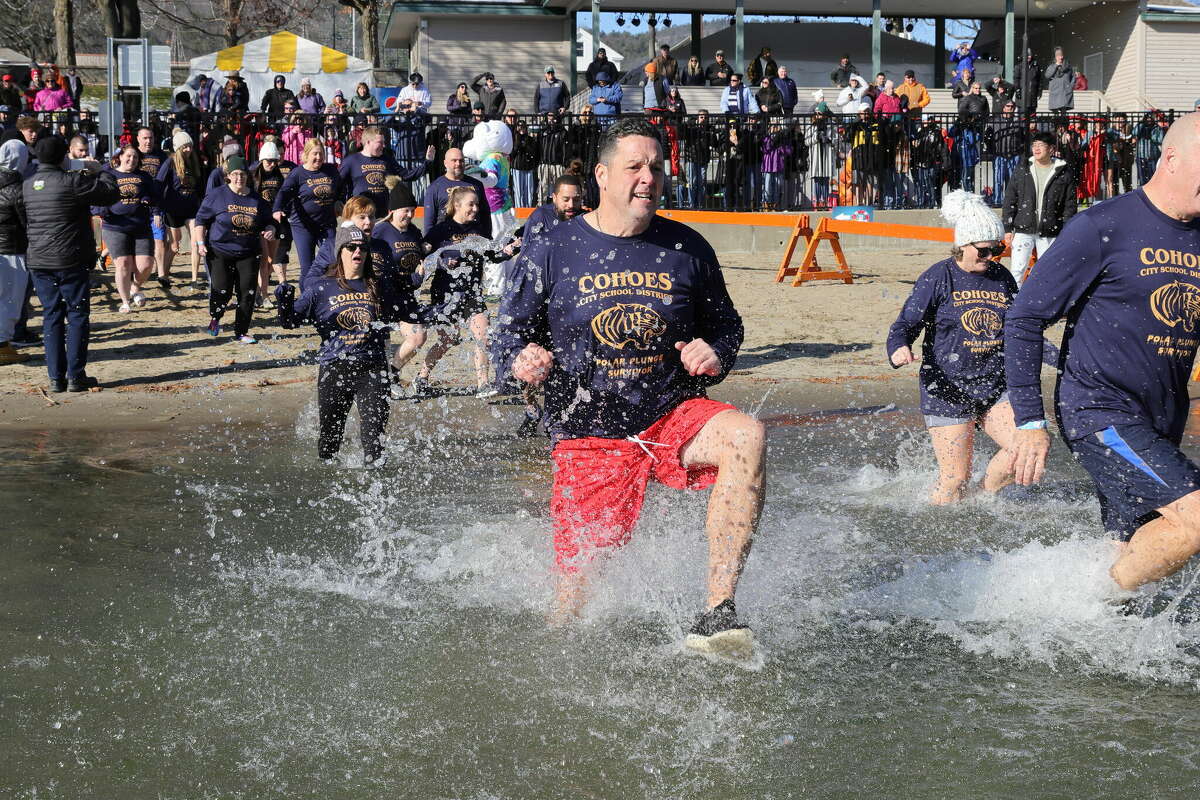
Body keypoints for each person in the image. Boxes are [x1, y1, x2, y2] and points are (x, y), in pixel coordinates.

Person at [492, 118, 762, 655]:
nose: (647, 178)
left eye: (656, 168)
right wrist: (522, 361)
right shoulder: (551, 247)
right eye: (634, 166)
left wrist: (716, 351)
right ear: (602, 174)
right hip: (588, 428)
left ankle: (716, 612)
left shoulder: (687, 247)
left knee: (745, 436)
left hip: (670, 413)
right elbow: (507, 336)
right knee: (572, 604)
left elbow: (726, 325)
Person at [1004, 113, 1200, 596]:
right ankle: (1091, 603)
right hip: (1099, 411)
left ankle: (1075, 617)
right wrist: (1029, 422)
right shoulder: (1104, 226)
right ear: (1171, 159)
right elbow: (1025, 318)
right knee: (1195, 521)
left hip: (1163, 417)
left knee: (1129, 539)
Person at [887, 191, 1018, 504]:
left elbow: (1019, 330)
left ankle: (979, 499)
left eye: (998, 250)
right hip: (946, 390)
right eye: (985, 251)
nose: (992, 258)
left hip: (993, 386)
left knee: (1025, 448)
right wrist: (899, 349)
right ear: (964, 244)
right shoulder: (938, 277)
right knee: (954, 478)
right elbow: (903, 326)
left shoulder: (1002, 278)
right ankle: (934, 531)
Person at [275, 225, 397, 464]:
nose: (357, 252)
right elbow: (290, 322)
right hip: (335, 369)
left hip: (372, 370)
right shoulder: (321, 287)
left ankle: (377, 492)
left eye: (362, 247)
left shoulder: (378, 285)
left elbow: (407, 311)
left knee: (375, 442)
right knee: (330, 443)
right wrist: (284, 299)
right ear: (340, 252)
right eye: (351, 247)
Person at [24, 136, 118, 392]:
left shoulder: (29, 184)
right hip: (70, 258)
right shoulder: (73, 180)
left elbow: (25, 220)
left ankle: (56, 378)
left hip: (40, 258)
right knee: (76, 314)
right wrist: (102, 171)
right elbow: (110, 194)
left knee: (51, 315)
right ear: (64, 156)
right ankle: (75, 376)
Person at [417, 186, 498, 397]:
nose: (475, 208)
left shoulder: (478, 230)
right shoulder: (441, 230)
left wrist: (509, 249)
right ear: (457, 206)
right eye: (471, 204)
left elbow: (492, 255)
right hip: (446, 294)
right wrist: (435, 259)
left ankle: (483, 384)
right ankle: (422, 377)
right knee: (448, 339)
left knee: (483, 336)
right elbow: (423, 253)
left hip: (472, 293)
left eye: (477, 204)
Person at [194, 156, 276, 343]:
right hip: (219, 251)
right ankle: (215, 317)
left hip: (248, 252)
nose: (240, 178)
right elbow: (200, 221)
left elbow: (269, 221)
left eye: (243, 174)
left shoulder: (257, 199)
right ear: (228, 176)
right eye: (235, 174)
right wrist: (200, 243)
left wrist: (271, 230)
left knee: (246, 292)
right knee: (222, 290)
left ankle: (241, 331)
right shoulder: (217, 195)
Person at [372, 181, 429, 392]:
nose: (410, 215)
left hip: (406, 296)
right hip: (382, 297)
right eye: (405, 210)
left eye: (413, 211)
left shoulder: (414, 231)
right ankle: (379, 385)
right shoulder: (380, 231)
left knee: (418, 337)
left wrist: (425, 254)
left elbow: (421, 259)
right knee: (379, 347)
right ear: (392, 210)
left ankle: (391, 374)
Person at [1001, 131, 1076, 288]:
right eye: (1034, 145)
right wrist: (1008, 228)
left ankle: (1044, 304)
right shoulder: (1023, 169)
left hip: (1050, 231)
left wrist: (1067, 230)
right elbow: (1010, 199)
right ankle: (1014, 305)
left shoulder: (1063, 172)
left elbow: (1069, 205)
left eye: (1041, 145)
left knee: (1048, 271)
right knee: (1017, 271)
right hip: (1023, 229)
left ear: (1051, 149)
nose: (1036, 148)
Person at [96, 145, 160, 313]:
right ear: (120, 157)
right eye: (128, 156)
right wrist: (102, 211)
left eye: (135, 158)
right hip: (115, 226)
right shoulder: (109, 174)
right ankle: (125, 302)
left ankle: (135, 287)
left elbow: (154, 195)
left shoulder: (143, 176)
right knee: (123, 264)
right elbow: (97, 196)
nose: (132, 160)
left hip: (141, 225)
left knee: (146, 265)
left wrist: (148, 201)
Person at [273, 137, 342, 291]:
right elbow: (284, 192)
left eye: (321, 154)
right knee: (307, 266)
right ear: (306, 154)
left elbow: (340, 188)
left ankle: (328, 295)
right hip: (303, 226)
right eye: (315, 154)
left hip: (327, 224)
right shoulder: (297, 173)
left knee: (333, 261)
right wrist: (277, 209)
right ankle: (306, 298)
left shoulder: (330, 170)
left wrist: (339, 201)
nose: (318, 158)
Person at [156, 130, 204, 290]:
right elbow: (159, 184)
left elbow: (201, 186)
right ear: (178, 148)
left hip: (191, 208)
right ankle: (164, 275)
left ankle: (194, 279)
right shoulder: (170, 163)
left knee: (196, 242)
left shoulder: (194, 162)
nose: (189, 150)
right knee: (174, 245)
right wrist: (157, 209)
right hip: (173, 209)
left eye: (190, 146)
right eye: (185, 147)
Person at [249, 139, 294, 294]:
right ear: (262, 159)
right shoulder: (252, 174)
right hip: (259, 221)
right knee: (263, 259)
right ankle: (263, 294)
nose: (273, 164)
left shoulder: (278, 176)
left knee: (270, 261)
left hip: (275, 222)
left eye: (275, 161)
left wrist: (282, 211)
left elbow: (283, 196)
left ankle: (260, 289)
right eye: (269, 161)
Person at [0, 140, 29, 365]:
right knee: (10, 298)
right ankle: (2, 345)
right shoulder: (16, 188)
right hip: (12, 248)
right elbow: (27, 222)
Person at [423, 147, 491, 236]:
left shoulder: (477, 185)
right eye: (454, 160)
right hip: (446, 238)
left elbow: (485, 214)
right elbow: (429, 221)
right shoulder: (435, 187)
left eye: (461, 160)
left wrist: (487, 237)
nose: (458, 164)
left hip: (473, 236)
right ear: (445, 163)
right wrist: (429, 242)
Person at [339, 125, 402, 218]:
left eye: (384, 142)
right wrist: (339, 201)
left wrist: (427, 162)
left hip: (381, 214)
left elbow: (406, 174)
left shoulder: (386, 159)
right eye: (380, 142)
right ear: (368, 142)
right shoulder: (351, 160)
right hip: (359, 214)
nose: (384, 146)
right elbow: (338, 182)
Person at [1044, 47, 1075, 112]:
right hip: (1055, 92)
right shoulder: (1052, 66)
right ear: (1055, 57)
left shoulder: (1068, 66)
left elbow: (1073, 77)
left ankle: (1063, 122)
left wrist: (1070, 86)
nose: (1060, 57)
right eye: (1058, 56)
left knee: (1063, 111)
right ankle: (1056, 121)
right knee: (1055, 111)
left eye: (1061, 55)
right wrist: (1056, 65)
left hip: (1065, 92)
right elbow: (1047, 75)